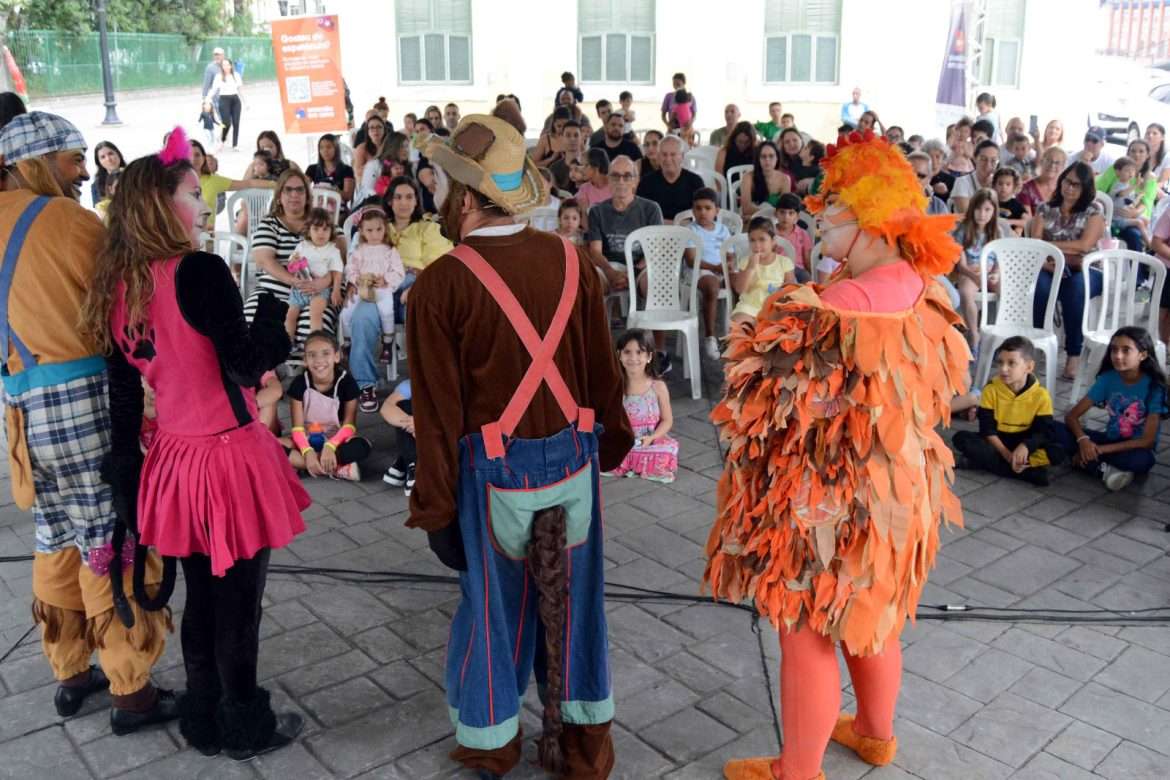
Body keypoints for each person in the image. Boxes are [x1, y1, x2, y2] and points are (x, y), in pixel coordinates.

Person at [711, 130, 969, 780]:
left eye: (835, 203)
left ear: (872, 216)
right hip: (896, 488)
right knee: (874, 612)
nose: (820, 211)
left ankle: (796, 770)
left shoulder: (842, 304)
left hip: (830, 492)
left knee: (806, 625)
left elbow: (756, 382)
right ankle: (876, 735)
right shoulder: (920, 283)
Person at [407, 107, 633, 780]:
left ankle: (492, 741)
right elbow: (603, 374)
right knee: (580, 609)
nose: (443, 197)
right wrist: (614, 445)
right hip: (573, 462)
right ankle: (588, 746)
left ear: (471, 198)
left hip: (493, 478)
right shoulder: (570, 260)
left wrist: (436, 509)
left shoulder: (440, 284)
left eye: (450, 186)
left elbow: (437, 418)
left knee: (493, 612)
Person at [84, 128, 308, 757]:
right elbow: (244, 366)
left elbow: (124, 400)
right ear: (162, 205)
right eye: (192, 193)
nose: (204, 204)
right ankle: (245, 725)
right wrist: (274, 317)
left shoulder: (118, 285)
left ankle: (204, 717)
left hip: (176, 462)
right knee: (238, 607)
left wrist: (127, 478)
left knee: (204, 603)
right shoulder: (200, 271)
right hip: (228, 461)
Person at [0, 111, 178, 736]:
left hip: (21, 413)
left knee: (55, 537)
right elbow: (126, 298)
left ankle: (71, 671)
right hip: (83, 406)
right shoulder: (69, 221)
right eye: (73, 160)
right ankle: (132, 691)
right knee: (110, 540)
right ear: (38, 162)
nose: (81, 174)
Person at [242, 169, 345, 350]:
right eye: (288, 190)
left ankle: (311, 370)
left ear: (307, 195)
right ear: (279, 196)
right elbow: (264, 260)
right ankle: (264, 372)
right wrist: (295, 282)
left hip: (318, 293)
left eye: (300, 190)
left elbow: (341, 257)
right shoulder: (270, 224)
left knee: (311, 326)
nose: (294, 195)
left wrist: (324, 282)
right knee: (251, 317)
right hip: (274, 291)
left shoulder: (322, 224)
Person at [1054, 326, 1167, 491]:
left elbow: (1147, 441)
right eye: (1114, 350)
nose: (1118, 356)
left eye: (1126, 350)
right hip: (1109, 441)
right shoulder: (1108, 379)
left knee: (1143, 461)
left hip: (1135, 449)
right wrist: (1083, 441)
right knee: (1052, 428)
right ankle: (1103, 469)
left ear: (1142, 355)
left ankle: (1085, 462)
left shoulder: (1154, 387)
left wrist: (1099, 450)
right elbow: (1071, 416)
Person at [953, 337, 1064, 486]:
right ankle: (1028, 473)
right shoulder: (991, 390)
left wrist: (1025, 447)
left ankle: (980, 463)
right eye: (1000, 362)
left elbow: (1042, 432)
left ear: (1029, 367)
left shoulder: (1041, 395)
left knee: (1058, 452)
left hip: (1024, 443)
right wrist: (1007, 455)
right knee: (961, 439)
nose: (1003, 369)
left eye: (1011, 363)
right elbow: (987, 430)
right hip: (998, 442)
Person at [1030, 162, 1106, 379]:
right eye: (1067, 181)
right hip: (1049, 266)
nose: (1070, 188)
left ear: (1085, 188)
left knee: (1075, 290)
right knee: (1040, 288)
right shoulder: (1045, 209)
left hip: (1087, 268)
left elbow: (1084, 245)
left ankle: (1073, 354)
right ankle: (1039, 343)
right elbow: (1035, 244)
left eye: (1077, 185)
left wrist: (1051, 248)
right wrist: (1050, 261)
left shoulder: (1093, 210)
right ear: (1061, 181)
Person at [339, 207, 404, 407]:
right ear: (362, 231)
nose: (374, 234)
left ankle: (387, 341)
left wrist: (386, 281)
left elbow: (398, 272)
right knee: (347, 312)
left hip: (381, 288)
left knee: (386, 311)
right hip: (362, 287)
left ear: (385, 229)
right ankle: (348, 341)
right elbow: (350, 268)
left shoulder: (390, 251)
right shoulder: (359, 250)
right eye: (369, 230)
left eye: (378, 229)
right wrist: (356, 279)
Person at [286, 330, 371, 481]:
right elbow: (297, 428)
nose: (319, 360)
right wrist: (307, 451)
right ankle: (336, 468)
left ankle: (302, 465)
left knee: (363, 445)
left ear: (336, 356)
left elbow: (349, 426)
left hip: (335, 438)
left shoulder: (347, 383)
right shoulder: (298, 384)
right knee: (270, 445)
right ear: (305, 359)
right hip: (306, 438)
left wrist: (330, 446)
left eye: (326, 353)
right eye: (312, 355)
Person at [585, 153, 663, 298]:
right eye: (615, 176)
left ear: (636, 181)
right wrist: (610, 272)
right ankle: (601, 321)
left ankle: (647, 320)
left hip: (641, 267)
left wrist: (632, 273)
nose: (621, 181)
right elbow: (595, 252)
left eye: (627, 176)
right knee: (591, 281)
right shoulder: (597, 211)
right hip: (609, 266)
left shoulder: (651, 208)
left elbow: (655, 250)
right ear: (608, 179)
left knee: (651, 282)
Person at [605, 329, 678, 482]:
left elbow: (667, 420)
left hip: (649, 442)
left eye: (639, 352)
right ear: (619, 355)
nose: (633, 358)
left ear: (649, 356)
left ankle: (635, 463)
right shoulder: (614, 387)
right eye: (627, 352)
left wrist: (652, 437)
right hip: (624, 440)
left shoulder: (657, 387)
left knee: (665, 453)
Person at [951, 189, 1008, 348]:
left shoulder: (997, 232)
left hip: (989, 272)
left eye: (987, 209)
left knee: (1005, 290)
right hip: (970, 272)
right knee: (965, 292)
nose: (982, 214)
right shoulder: (962, 230)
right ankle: (974, 332)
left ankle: (1002, 334)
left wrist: (995, 273)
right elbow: (960, 266)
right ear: (972, 208)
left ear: (994, 211)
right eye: (978, 209)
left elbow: (999, 259)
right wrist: (974, 275)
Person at [683, 187, 731, 360]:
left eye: (708, 208)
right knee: (712, 286)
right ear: (693, 210)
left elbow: (730, 253)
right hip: (698, 271)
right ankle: (710, 337)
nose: (703, 212)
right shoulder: (691, 230)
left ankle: (736, 335)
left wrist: (729, 265)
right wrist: (717, 268)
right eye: (698, 208)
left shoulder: (723, 230)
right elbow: (691, 260)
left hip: (721, 269)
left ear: (716, 210)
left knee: (743, 282)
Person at [188, 140, 273, 234]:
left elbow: (248, 183)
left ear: (203, 158)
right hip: (180, 237)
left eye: (197, 155)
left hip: (205, 238)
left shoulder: (213, 180)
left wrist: (278, 185)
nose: (193, 158)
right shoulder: (176, 181)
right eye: (188, 154)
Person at [284, 207, 343, 339]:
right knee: (290, 316)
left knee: (315, 313)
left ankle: (315, 343)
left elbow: (337, 271)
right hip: (299, 290)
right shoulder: (302, 246)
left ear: (331, 231)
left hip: (320, 291)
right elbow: (291, 267)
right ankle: (287, 345)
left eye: (325, 229)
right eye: (316, 229)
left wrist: (336, 290)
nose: (320, 233)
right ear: (309, 230)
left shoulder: (332, 250)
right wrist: (293, 262)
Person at [730, 215, 795, 325]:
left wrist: (779, 297)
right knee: (738, 324)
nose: (757, 245)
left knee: (784, 324)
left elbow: (790, 290)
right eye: (752, 240)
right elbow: (740, 289)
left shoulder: (784, 262)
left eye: (762, 240)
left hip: (774, 308)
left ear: (773, 241)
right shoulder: (746, 261)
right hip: (748, 308)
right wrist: (750, 268)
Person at [1096, 141, 1157, 251]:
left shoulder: (1150, 177)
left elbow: (1146, 202)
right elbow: (1099, 191)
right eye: (1133, 151)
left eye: (1141, 151)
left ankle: (1145, 261)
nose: (1136, 154)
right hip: (1113, 215)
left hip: (1135, 214)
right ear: (1128, 153)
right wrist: (1108, 209)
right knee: (1133, 235)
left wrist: (1134, 213)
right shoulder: (1117, 169)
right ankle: (1147, 253)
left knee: (1142, 226)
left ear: (1147, 155)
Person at [636, 134, 704, 221]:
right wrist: (676, 223)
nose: (668, 159)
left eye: (673, 155)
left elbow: (704, 216)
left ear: (682, 157)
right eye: (664, 154)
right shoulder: (646, 183)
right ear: (659, 157)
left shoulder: (695, 182)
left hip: (687, 232)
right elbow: (640, 216)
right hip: (655, 233)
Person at [1104, 156, 1152, 247]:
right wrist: (1135, 186)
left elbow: (1130, 203)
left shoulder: (1129, 186)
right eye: (1127, 170)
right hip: (1117, 220)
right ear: (1118, 172)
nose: (1130, 173)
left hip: (1125, 216)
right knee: (1139, 223)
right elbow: (1122, 194)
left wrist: (1139, 197)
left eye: (1132, 171)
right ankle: (1149, 244)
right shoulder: (1117, 186)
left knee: (1146, 220)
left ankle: (1145, 242)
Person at [380, 379, 416, 495]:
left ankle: (404, 460)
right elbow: (386, 408)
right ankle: (412, 462)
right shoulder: (409, 384)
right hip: (416, 434)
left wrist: (424, 424)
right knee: (403, 405)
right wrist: (412, 424)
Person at [740, 140, 791, 217]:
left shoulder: (785, 179)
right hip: (753, 218)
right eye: (763, 156)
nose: (767, 160)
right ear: (758, 159)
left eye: (771, 156)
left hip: (776, 219)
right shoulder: (748, 177)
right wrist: (769, 213)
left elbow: (785, 207)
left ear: (777, 158)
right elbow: (746, 209)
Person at [304, 133, 355, 210]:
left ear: (336, 149)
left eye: (329, 147)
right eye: (321, 148)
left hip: (338, 209)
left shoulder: (347, 169)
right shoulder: (312, 169)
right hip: (317, 209)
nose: (325, 150)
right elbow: (303, 188)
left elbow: (348, 196)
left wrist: (331, 190)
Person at [950, 139, 1000, 214]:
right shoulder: (962, 182)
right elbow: (966, 215)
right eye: (983, 159)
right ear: (975, 158)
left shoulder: (999, 183)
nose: (988, 164)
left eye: (993, 160)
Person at [1018, 146, 1067, 212]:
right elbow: (1027, 220)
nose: (1052, 165)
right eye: (1048, 160)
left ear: (1063, 166)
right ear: (1042, 162)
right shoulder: (1026, 188)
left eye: (1057, 163)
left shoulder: (1066, 189)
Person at [210, 59, 243, 151]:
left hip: (235, 100)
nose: (226, 67)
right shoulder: (218, 76)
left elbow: (240, 89)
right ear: (222, 67)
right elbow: (214, 90)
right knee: (226, 123)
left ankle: (235, 145)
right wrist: (207, 99)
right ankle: (222, 140)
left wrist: (245, 101)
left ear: (231, 65)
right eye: (224, 65)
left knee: (236, 123)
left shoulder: (236, 75)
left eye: (227, 65)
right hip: (224, 100)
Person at [774, 192, 811, 273]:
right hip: (776, 270)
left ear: (797, 216)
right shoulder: (770, 233)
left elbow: (807, 261)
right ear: (775, 213)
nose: (786, 217)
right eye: (782, 212)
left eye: (791, 213)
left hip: (797, 270)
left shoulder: (803, 234)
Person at [574, 148, 613, 214]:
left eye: (585, 165)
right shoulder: (584, 189)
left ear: (596, 166)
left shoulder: (616, 185)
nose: (581, 170)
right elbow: (583, 217)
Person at [993, 167, 1028, 234]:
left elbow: (1027, 221)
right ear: (994, 185)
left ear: (1014, 187)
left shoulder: (1016, 204)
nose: (1003, 187)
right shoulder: (991, 201)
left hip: (1010, 236)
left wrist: (1009, 222)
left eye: (1008, 184)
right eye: (1000, 184)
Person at [92, 140, 124, 207]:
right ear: (99, 162)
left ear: (118, 154)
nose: (108, 159)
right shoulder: (96, 185)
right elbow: (100, 211)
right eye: (103, 157)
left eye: (110, 154)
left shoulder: (134, 175)